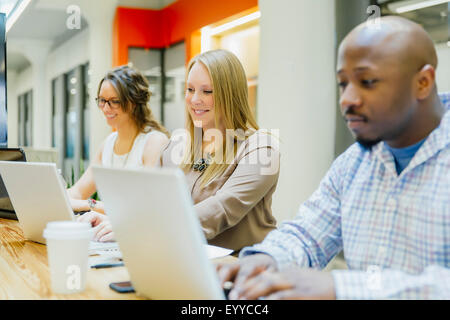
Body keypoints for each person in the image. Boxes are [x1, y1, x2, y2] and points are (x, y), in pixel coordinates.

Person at [216, 16, 450, 300]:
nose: (347, 99)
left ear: (423, 82)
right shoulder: (354, 163)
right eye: (342, 83)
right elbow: (308, 234)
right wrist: (266, 259)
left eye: (367, 81)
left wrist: (339, 288)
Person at [82, 49, 280, 250]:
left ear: (230, 94)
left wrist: (136, 227)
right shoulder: (177, 143)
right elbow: (151, 201)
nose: (195, 100)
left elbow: (222, 208)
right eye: (190, 89)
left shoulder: (261, 148)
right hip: (184, 258)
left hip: (242, 268)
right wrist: (114, 219)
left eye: (207, 91)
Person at [69, 66, 169, 222]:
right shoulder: (108, 144)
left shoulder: (154, 142)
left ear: (133, 102)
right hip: (109, 233)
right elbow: (77, 192)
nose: (106, 108)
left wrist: (90, 204)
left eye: (114, 101)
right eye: (102, 100)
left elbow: (146, 206)